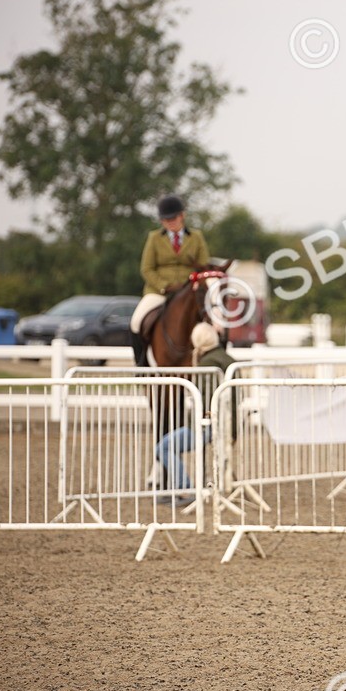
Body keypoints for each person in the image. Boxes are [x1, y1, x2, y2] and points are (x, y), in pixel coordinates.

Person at [154, 322, 235, 504]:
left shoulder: (207, 363)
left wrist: (202, 418)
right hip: (223, 423)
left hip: (205, 424)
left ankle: (185, 489)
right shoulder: (228, 359)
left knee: (163, 447)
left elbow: (207, 399)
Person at [130, 195, 211, 366]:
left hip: (188, 291)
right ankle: (141, 364)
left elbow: (204, 266)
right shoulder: (154, 238)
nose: (170, 223)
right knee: (136, 322)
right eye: (165, 220)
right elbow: (147, 269)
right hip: (159, 292)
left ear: (182, 216)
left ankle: (212, 361)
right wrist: (163, 286)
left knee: (213, 322)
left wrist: (191, 283)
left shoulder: (196, 237)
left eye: (173, 218)